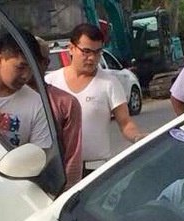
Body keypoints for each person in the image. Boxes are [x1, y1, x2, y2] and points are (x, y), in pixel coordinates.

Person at [46, 23, 146, 175]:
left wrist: (137, 137)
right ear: (71, 48)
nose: (92, 58)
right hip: (58, 169)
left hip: (94, 170)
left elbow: (125, 122)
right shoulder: (51, 82)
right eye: (86, 51)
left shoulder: (109, 83)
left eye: (97, 52)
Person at [32, 36, 83, 189]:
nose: (26, 64)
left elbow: (73, 155)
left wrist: (67, 191)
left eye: (33, 59)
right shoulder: (8, 100)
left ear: (45, 63)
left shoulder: (65, 103)